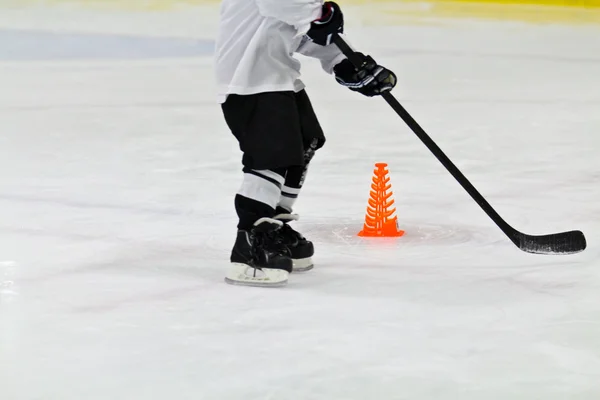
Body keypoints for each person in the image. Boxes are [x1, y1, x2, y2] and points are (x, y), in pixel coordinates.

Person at [215, 0, 397, 287]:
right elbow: (287, 6)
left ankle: (276, 224)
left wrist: (345, 62)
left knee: (305, 141)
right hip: (248, 80)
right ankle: (251, 243)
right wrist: (320, 14)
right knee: (271, 155)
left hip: (277, 76)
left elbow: (301, 30)